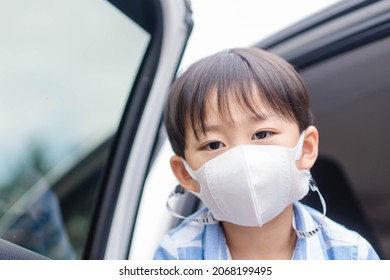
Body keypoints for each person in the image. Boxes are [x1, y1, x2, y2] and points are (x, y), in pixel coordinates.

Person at [154, 48, 379, 260]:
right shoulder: (177, 255)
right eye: (214, 145)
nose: (243, 158)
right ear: (185, 174)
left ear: (306, 149)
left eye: (262, 134)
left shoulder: (350, 255)